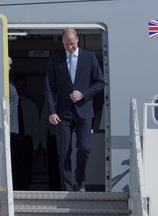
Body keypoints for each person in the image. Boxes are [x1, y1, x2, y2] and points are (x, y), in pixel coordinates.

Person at [45, 27, 105, 192]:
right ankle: (67, 189)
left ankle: (80, 180)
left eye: (71, 44)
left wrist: (83, 94)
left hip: (84, 111)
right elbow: (49, 87)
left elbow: (100, 82)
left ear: (77, 40)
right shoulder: (55, 60)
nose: (69, 47)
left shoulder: (89, 57)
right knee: (64, 152)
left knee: (84, 147)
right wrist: (51, 111)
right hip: (63, 114)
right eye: (66, 45)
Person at [12, 75, 40, 190]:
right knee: (14, 167)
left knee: (26, 168)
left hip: (27, 141)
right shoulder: (10, 104)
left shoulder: (31, 104)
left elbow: (36, 125)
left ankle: (24, 189)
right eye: (18, 85)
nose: (20, 88)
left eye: (23, 85)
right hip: (13, 140)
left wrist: (37, 145)